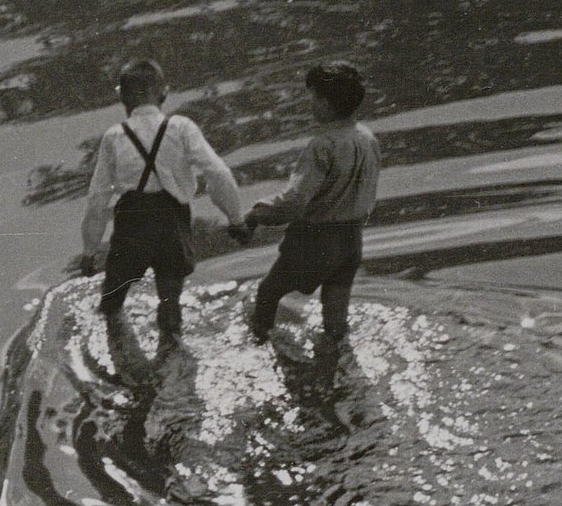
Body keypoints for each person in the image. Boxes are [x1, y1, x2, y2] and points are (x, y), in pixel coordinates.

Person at [77, 59, 248, 353]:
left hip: (132, 225)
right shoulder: (181, 127)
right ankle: (172, 351)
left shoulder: (115, 136)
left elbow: (97, 200)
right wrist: (235, 218)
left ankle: (117, 352)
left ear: (122, 96)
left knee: (112, 303)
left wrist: (90, 251)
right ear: (164, 94)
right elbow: (217, 173)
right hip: (172, 223)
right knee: (170, 303)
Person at [237, 61, 380, 358]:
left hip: (315, 240)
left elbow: (295, 202)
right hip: (352, 241)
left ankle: (257, 352)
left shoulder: (321, 146)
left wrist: (255, 215)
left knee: (267, 293)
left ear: (325, 105)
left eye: (313, 98)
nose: (311, 104)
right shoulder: (368, 139)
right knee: (336, 318)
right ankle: (337, 360)